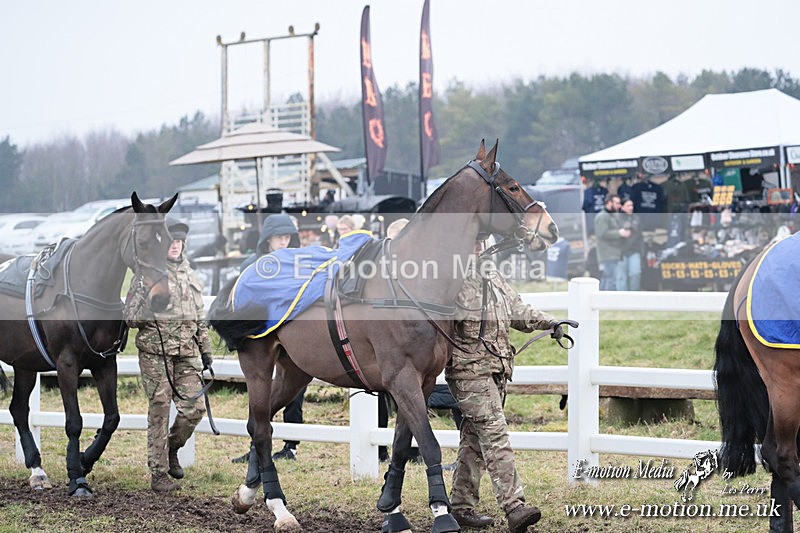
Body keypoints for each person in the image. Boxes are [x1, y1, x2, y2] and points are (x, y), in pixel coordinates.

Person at [446, 239, 563, 532]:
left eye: (481, 240)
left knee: (474, 440)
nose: (478, 245)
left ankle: (460, 507)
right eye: (472, 240)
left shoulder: (491, 273)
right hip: (469, 373)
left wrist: (549, 322)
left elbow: (516, 308)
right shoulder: (449, 279)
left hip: (497, 370)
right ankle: (514, 506)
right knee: (495, 433)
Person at [125, 218, 213, 493]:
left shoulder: (191, 275)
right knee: (160, 409)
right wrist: (149, 309)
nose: (175, 246)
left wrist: (206, 351)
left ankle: (171, 448)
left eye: (179, 241)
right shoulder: (146, 277)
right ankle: (159, 473)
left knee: (194, 409)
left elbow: (200, 318)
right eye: (171, 241)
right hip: (155, 353)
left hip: (186, 353)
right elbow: (129, 317)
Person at [233, 213, 306, 462]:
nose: (284, 242)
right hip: (261, 338)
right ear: (267, 240)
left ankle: (291, 446)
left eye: (287, 237)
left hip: (293, 337)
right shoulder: (251, 266)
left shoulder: (299, 263)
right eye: (279, 237)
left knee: (294, 390)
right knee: (259, 393)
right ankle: (257, 447)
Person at [594, 193, 630, 291]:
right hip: (607, 254)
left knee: (607, 278)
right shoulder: (602, 216)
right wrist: (619, 233)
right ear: (609, 203)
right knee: (612, 279)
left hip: (614, 253)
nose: (619, 206)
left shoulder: (612, 215)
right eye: (617, 203)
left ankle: (599, 301)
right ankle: (605, 303)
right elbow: (602, 233)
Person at [616, 198, 643, 291]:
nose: (631, 208)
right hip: (620, 252)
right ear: (622, 207)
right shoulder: (616, 218)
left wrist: (642, 252)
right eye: (628, 206)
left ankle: (634, 297)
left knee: (635, 274)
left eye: (632, 205)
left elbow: (640, 237)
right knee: (621, 277)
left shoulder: (637, 218)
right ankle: (622, 301)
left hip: (634, 251)